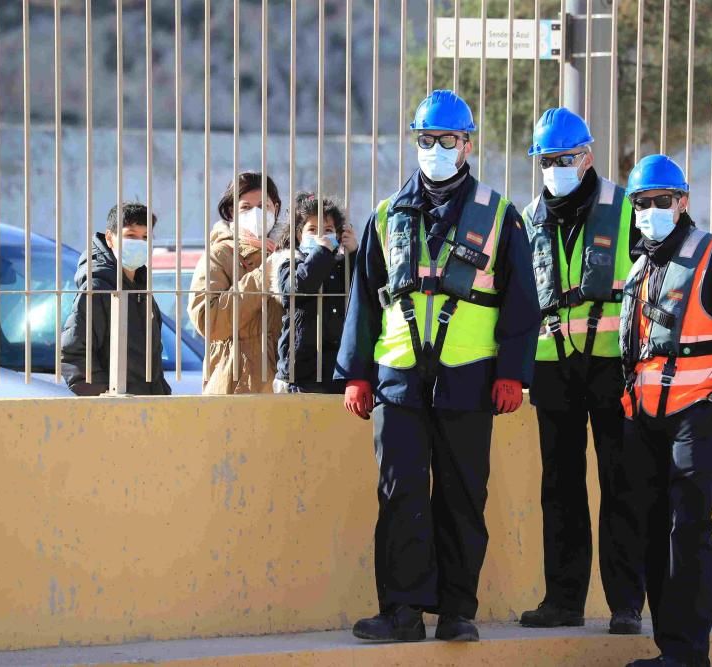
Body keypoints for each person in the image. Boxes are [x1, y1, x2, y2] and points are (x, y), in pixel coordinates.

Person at [335, 89, 541, 643]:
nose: (434, 149)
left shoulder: (498, 214)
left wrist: (513, 374)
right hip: (398, 378)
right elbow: (364, 299)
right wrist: (356, 373)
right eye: (425, 139)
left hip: (469, 376)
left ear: (467, 144)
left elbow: (523, 301)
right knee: (399, 493)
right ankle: (401, 613)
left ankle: (456, 612)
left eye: (445, 140)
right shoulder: (386, 215)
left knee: (462, 495)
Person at [618, 155, 712, 667]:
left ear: (682, 202)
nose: (651, 211)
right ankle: (670, 650)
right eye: (642, 202)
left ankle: (688, 654)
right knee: (653, 529)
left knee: (687, 530)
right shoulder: (641, 266)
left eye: (662, 201)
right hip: (645, 421)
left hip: (696, 418)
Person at [517, 107, 645, 634]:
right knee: (560, 487)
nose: (556, 167)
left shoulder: (625, 208)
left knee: (621, 483)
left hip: (612, 365)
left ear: (588, 156)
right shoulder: (528, 218)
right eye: (547, 160)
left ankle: (626, 605)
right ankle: (563, 601)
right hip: (553, 368)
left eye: (565, 158)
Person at [187, 171, 284, 394]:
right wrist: (261, 276)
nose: (257, 213)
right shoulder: (219, 254)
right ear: (232, 212)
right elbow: (207, 321)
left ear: (275, 208)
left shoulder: (287, 255)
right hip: (236, 385)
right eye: (246, 208)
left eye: (263, 205)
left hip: (284, 384)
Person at [61, 202, 171, 396]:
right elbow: (75, 352)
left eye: (146, 237)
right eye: (130, 236)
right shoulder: (98, 288)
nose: (140, 242)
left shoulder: (143, 288)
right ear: (110, 238)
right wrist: (107, 396)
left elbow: (153, 358)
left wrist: (161, 395)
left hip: (148, 409)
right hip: (115, 411)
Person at [272, 193, 358, 393]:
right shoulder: (289, 261)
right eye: (312, 229)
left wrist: (353, 254)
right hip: (300, 371)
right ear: (299, 235)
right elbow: (297, 287)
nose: (321, 236)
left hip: (336, 369)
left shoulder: (339, 266)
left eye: (328, 230)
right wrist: (321, 252)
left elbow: (359, 287)